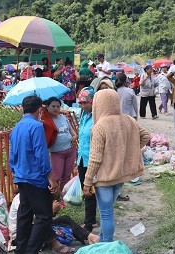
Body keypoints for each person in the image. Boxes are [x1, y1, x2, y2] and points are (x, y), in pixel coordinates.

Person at [82, 89, 151, 242]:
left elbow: (95, 159)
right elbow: (146, 135)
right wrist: (129, 151)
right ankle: (104, 239)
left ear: (97, 105)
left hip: (105, 177)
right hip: (120, 176)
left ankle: (107, 245)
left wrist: (87, 182)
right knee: (108, 212)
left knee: (106, 214)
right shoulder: (128, 120)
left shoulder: (100, 126)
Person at [8, 95, 73, 254]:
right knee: (44, 217)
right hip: (35, 178)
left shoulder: (16, 128)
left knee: (25, 216)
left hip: (22, 177)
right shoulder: (37, 127)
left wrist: (16, 172)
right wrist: (51, 177)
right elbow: (41, 155)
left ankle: (21, 250)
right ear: (39, 110)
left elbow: (12, 156)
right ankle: (31, 250)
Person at [8, 193, 99, 250]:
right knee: (42, 222)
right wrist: (51, 211)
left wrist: (51, 211)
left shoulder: (34, 195)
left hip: (34, 227)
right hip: (20, 236)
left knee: (64, 219)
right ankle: (56, 245)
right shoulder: (22, 199)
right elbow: (35, 220)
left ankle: (88, 236)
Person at [76, 87, 98, 232]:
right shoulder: (84, 115)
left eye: (85, 103)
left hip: (93, 159)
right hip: (82, 159)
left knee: (91, 191)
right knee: (87, 191)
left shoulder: (97, 117)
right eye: (81, 103)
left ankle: (89, 223)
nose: (83, 105)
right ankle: (91, 220)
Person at [45, 97, 77, 194]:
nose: (56, 109)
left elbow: (73, 132)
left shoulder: (63, 118)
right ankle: (52, 197)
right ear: (47, 106)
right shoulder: (47, 121)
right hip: (57, 153)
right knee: (57, 176)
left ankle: (63, 198)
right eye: (53, 106)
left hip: (70, 151)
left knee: (66, 177)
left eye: (58, 106)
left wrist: (74, 137)